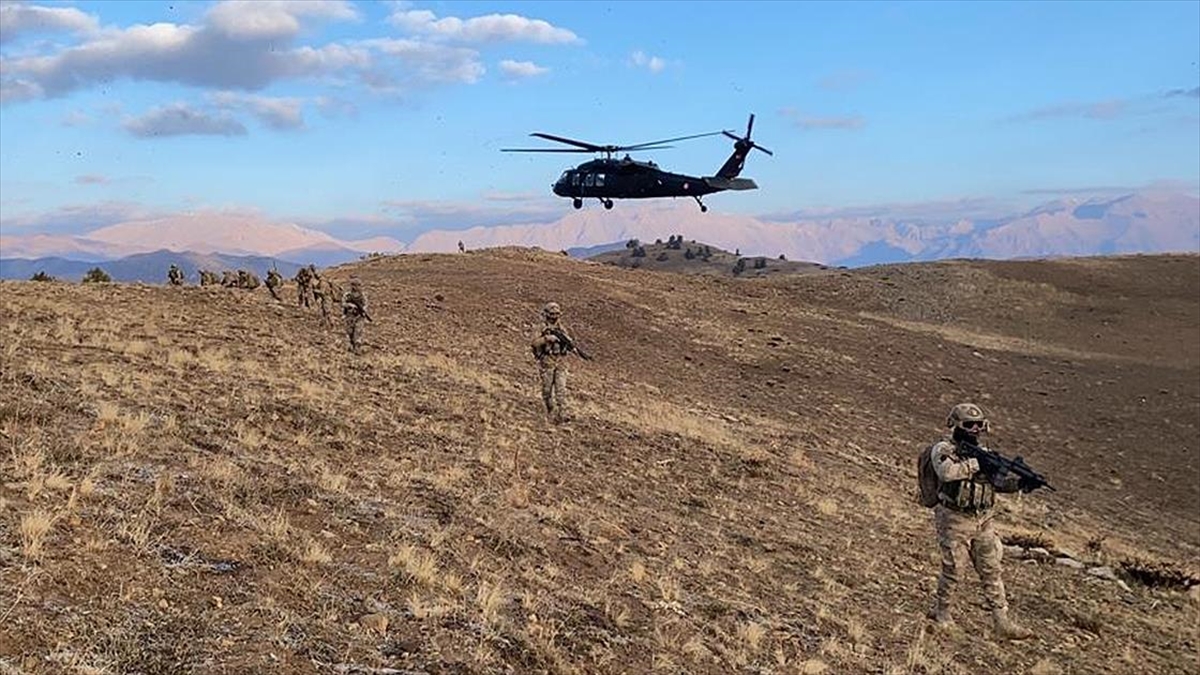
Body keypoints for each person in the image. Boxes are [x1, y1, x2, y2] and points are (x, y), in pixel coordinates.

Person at [927, 403, 1033, 640]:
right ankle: (942, 613)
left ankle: (1001, 621)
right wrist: (977, 464)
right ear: (955, 425)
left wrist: (1020, 484)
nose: (975, 429)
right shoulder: (944, 448)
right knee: (954, 569)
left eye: (979, 424)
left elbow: (995, 484)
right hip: (955, 518)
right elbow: (946, 473)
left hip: (983, 519)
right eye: (968, 425)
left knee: (992, 569)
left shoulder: (984, 452)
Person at [529, 301, 583, 423]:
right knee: (547, 391)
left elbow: (570, 343)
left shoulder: (563, 329)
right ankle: (551, 410)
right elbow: (534, 343)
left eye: (557, 314)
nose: (555, 316)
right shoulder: (541, 328)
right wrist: (547, 338)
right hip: (547, 361)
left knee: (561, 390)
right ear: (547, 314)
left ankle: (563, 413)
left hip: (561, 362)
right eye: (552, 314)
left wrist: (572, 348)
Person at [341, 278, 369, 353]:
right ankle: (351, 346)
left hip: (359, 316)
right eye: (354, 285)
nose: (356, 287)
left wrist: (363, 310)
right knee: (350, 332)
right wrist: (349, 305)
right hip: (349, 316)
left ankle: (357, 348)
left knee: (358, 332)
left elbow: (365, 304)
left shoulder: (362, 295)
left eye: (358, 285)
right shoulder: (347, 295)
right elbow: (343, 304)